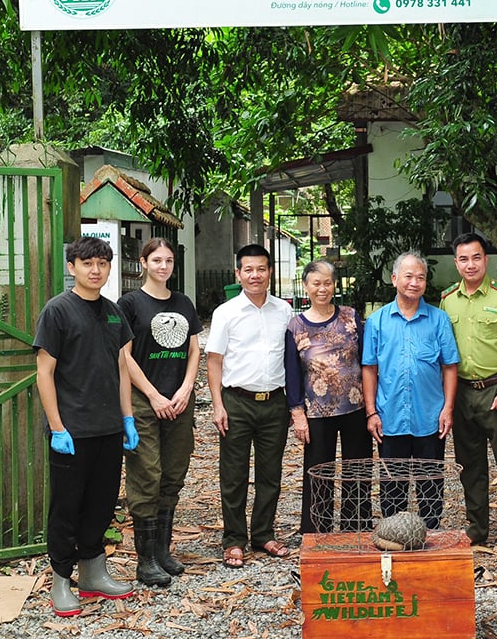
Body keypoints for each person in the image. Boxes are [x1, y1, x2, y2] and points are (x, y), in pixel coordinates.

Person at [34, 236, 139, 617]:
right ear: (72, 267)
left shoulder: (114, 313)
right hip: (72, 432)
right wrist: (57, 426)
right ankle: (62, 580)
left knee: (101, 503)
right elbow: (44, 373)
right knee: (66, 508)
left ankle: (93, 572)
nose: (96, 271)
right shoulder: (57, 311)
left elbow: (122, 369)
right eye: (87, 264)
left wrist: (127, 418)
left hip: (108, 429)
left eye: (102, 264)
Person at [118, 238, 201, 587]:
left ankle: (163, 551)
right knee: (147, 474)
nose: (163, 266)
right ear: (143, 263)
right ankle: (145, 559)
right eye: (156, 260)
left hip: (179, 399)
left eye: (168, 260)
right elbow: (125, 356)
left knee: (173, 473)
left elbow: (195, 349)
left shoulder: (183, 303)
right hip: (143, 399)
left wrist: (184, 390)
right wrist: (152, 395)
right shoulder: (130, 303)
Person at [206, 244, 294, 568]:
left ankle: (263, 533)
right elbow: (214, 362)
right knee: (234, 474)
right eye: (248, 270)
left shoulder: (284, 311)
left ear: (270, 272)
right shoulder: (225, 313)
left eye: (261, 269)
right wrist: (218, 405)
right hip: (236, 402)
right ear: (238, 274)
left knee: (270, 473)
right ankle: (234, 540)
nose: (255, 275)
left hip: (274, 403)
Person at [440, 233, 497, 556]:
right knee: (470, 465)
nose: (470, 264)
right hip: (463, 393)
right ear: (456, 263)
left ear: (485, 260)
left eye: (476, 257)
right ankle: (477, 527)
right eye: (463, 259)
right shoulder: (448, 299)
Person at [362, 251, 459, 529]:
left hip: (430, 416)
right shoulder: (377, 321)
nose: (414, 283)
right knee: (393, 482)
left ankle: (429, 532)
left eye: (420, 277)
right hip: (390, 416)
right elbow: (369, 368)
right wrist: (371, 412)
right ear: (394, 279)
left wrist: (447, 409)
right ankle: (394, 533)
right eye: (408, 276)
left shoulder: (438, 320)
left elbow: (449, 366)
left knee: (430, 480)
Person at [284, 260, 372, 534]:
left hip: (355, 407)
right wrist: (297, 412)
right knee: (318, 472)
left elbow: (366, 360)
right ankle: (316, 531)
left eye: (327, 283)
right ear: (306, 287)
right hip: (317, 412)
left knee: (357, 470)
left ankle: (355, 526)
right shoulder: (295, 326)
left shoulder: (350, 317)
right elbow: (292, 372)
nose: (322, 289)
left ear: (334, 285)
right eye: (316, 283)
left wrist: (372, 406)